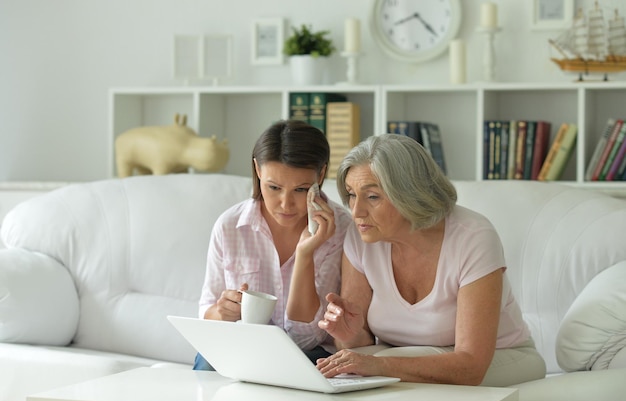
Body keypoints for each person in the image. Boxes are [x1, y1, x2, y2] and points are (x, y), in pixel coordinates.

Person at [316, 133, 546, 387]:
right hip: (401, 356)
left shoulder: (473, 237)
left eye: (372, 197)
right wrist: (348, 335)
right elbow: (360, 344)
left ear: (409, 193)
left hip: (499, 358)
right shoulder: (362, 237)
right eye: (351, 194)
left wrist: (379, 365)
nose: (356, 211)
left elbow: (471, 365)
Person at [194, 119, 352, 370]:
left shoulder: (342, 228)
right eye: (274, 187)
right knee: (206, 361)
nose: (285, 204)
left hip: (311, 354)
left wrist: (305, 254)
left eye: (300, 189)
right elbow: (205, 315)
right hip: (244, 348)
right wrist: (221, 312)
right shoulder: (229, 226)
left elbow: (306, 337)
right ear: (257, 170)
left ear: (320, 175)